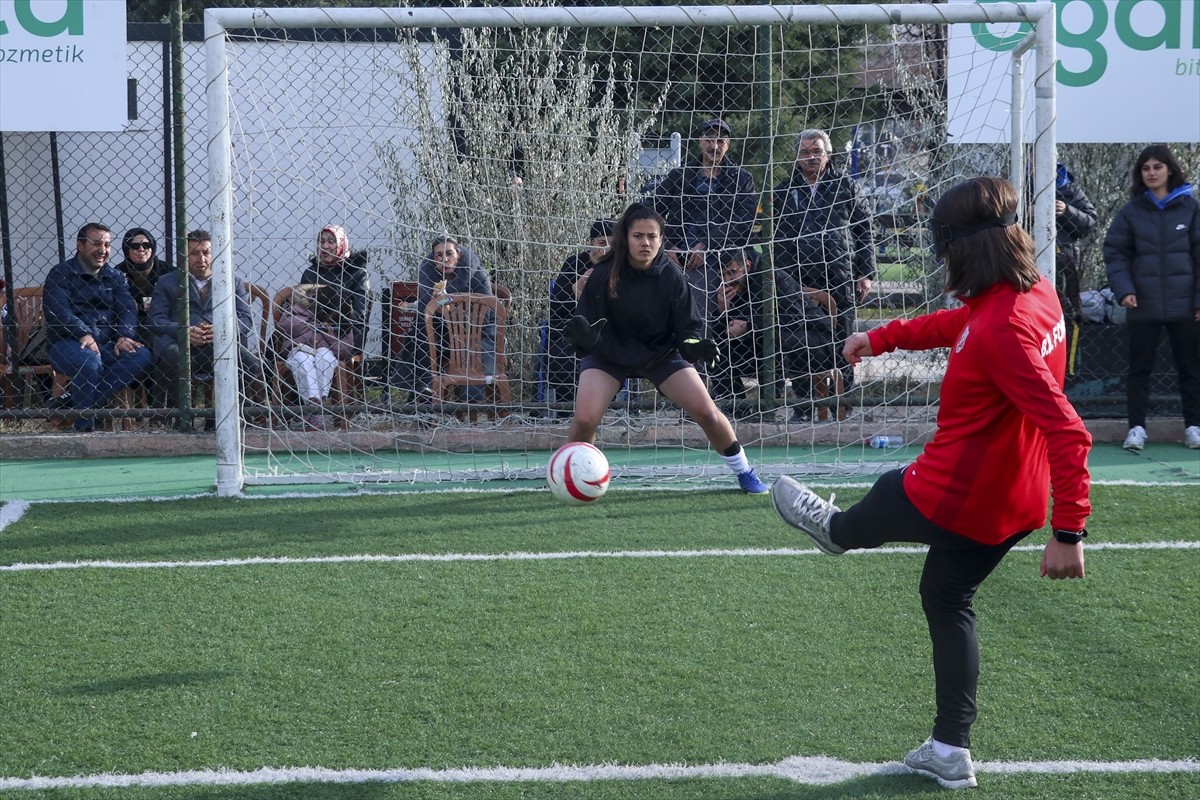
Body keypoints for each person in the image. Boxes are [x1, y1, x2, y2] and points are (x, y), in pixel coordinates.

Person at [769, 176, 1091, 790]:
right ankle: (950, 749)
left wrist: (1071, 532)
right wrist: (880, 339)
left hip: (964, 494)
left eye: (941, 249)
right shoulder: (1032, 293)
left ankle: (835, 530)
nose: (939, 260)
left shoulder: (1003, 329)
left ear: (960, 249)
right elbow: (958, 326)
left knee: (890, 492)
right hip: (1014, 499)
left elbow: (1069, 431)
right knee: (946, 599)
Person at [565, 202, 769, 495]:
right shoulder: (603, 274)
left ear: (662, 239)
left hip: (661, 354)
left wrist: (694, 346)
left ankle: (745, 472)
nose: (645, 242)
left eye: (652, 236)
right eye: (638, 236)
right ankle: (571, 474)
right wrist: (585, 338)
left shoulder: (673, 277)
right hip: (608, 355)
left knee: (708, 413)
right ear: (625, 237)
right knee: (585, 419)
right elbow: (587, 327)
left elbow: (688, 329)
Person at [1103, 143, 1200, 451]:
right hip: (1142, 305)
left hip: (1185, 306)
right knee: (1138, 369)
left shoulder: (1191, 208)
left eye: (1157, 167)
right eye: (1146, 168)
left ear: (1169, 169)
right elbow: (1115, 252)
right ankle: (1136, 429)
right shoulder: (1131, 211)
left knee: (1190, 368)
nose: (1151, 173)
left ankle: (1194, 428)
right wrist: (1125, 290)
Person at [771, 129, 875, 404]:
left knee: (845, 338)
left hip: (840, 274)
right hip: (797, 277)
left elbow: (865, 229)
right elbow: (778, 238)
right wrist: (784, 281)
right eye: (805, 152)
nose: (811, 157)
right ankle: (805, 403)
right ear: (796, 158)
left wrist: (866, 273)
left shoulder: (846, 186)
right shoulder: (784, 190)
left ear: (828, 154)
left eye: (816, 151)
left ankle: (843, 400)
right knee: (798, 339)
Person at [148, 229, 265, 429]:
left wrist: (221, 331)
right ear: (185, 256)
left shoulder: (232, 281)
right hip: (182, 346)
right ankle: (182, 418)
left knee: (249, 362)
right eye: (194, 253)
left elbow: (245, 319)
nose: (201, 258)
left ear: (214, 254)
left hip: (219, 345)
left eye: (206, 252)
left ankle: (226, 417)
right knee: (170, 356)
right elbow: (156, 320)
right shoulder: (167, 281)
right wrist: (184, 331)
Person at [43, 223, 154, 432]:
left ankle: (74, 405)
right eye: (96, 244)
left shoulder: (116, 277)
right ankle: (83, 427)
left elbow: (128, 309)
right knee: (89, 361)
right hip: (68, 343)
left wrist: (124, 335)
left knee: (142, 355)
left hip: (106, 344)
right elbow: (58, 311)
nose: (102, 250)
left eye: (107, 245)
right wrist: (83, 332)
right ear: (80, 245)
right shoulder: (60, 274)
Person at [651, 117, 758, 330]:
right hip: (676, 254)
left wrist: (707, 245)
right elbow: (651, 209)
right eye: (709, 140)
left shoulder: (742, 179)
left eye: (721, 141)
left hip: (718, 258)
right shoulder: (680, 176)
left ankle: (697, 354)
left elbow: (743, 223)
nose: (714, 146)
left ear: (728, 145)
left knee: (697, 302)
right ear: (700, 142)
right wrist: (667, 246)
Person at [414, 236, 496, 400]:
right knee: (417, 331)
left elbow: (488, 311)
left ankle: (469, 399)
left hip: (478, 331)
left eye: (449, 253)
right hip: (444, 333)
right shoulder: (429, 279)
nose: (444, 259)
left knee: (471, 342)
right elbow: (426, 312)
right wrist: (436, 304)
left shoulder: (478, 275)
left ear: (458, 254)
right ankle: (423, 389)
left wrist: (452, 308)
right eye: (438, 255)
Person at [547, 219, 614, 407]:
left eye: (614, 244)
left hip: (609, 331)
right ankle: (566, 410)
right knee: (563, 353)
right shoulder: (574, 263)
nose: (607, 250)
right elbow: (556, 309)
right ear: (591, 243)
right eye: (602, 243)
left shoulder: (622, 267)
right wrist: (576, 293)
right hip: (571, 329)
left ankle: (605, 407)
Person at [275, 283, 356, 429]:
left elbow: (345, 349)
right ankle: (313, 404)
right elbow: (284, 324)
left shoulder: (343, 313)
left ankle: (315, 407)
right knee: (302, 360)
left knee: (325, 357)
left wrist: (328, 335)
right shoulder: (302, 305)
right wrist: (312, 323)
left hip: (326, 350)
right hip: (299, 349)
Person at [298, 224, 371, 353]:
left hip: (345, 333)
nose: (325, 246)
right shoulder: (311, 273)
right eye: (322, 241)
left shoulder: (357, 273)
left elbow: (360, 315)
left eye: (331, 241)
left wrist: (332, 324)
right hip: (312, 331)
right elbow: (300, 307)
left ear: (342, 243)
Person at [1051, 162, 1098, 324]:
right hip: (1029, 256)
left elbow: (1090, 222)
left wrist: (1067, 211)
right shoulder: (1023, 187)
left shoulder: (1071, 189)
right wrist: (1027, 212)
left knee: (1064, 306)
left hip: (1066, 259)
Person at [114, 228, 172, 330]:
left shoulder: (169, 272)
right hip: (128, 328)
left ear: (152, 248)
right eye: (135, 246)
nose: (141, 249)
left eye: (146, 245)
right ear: (126, 249)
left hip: (163, 328)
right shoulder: (116, 274)